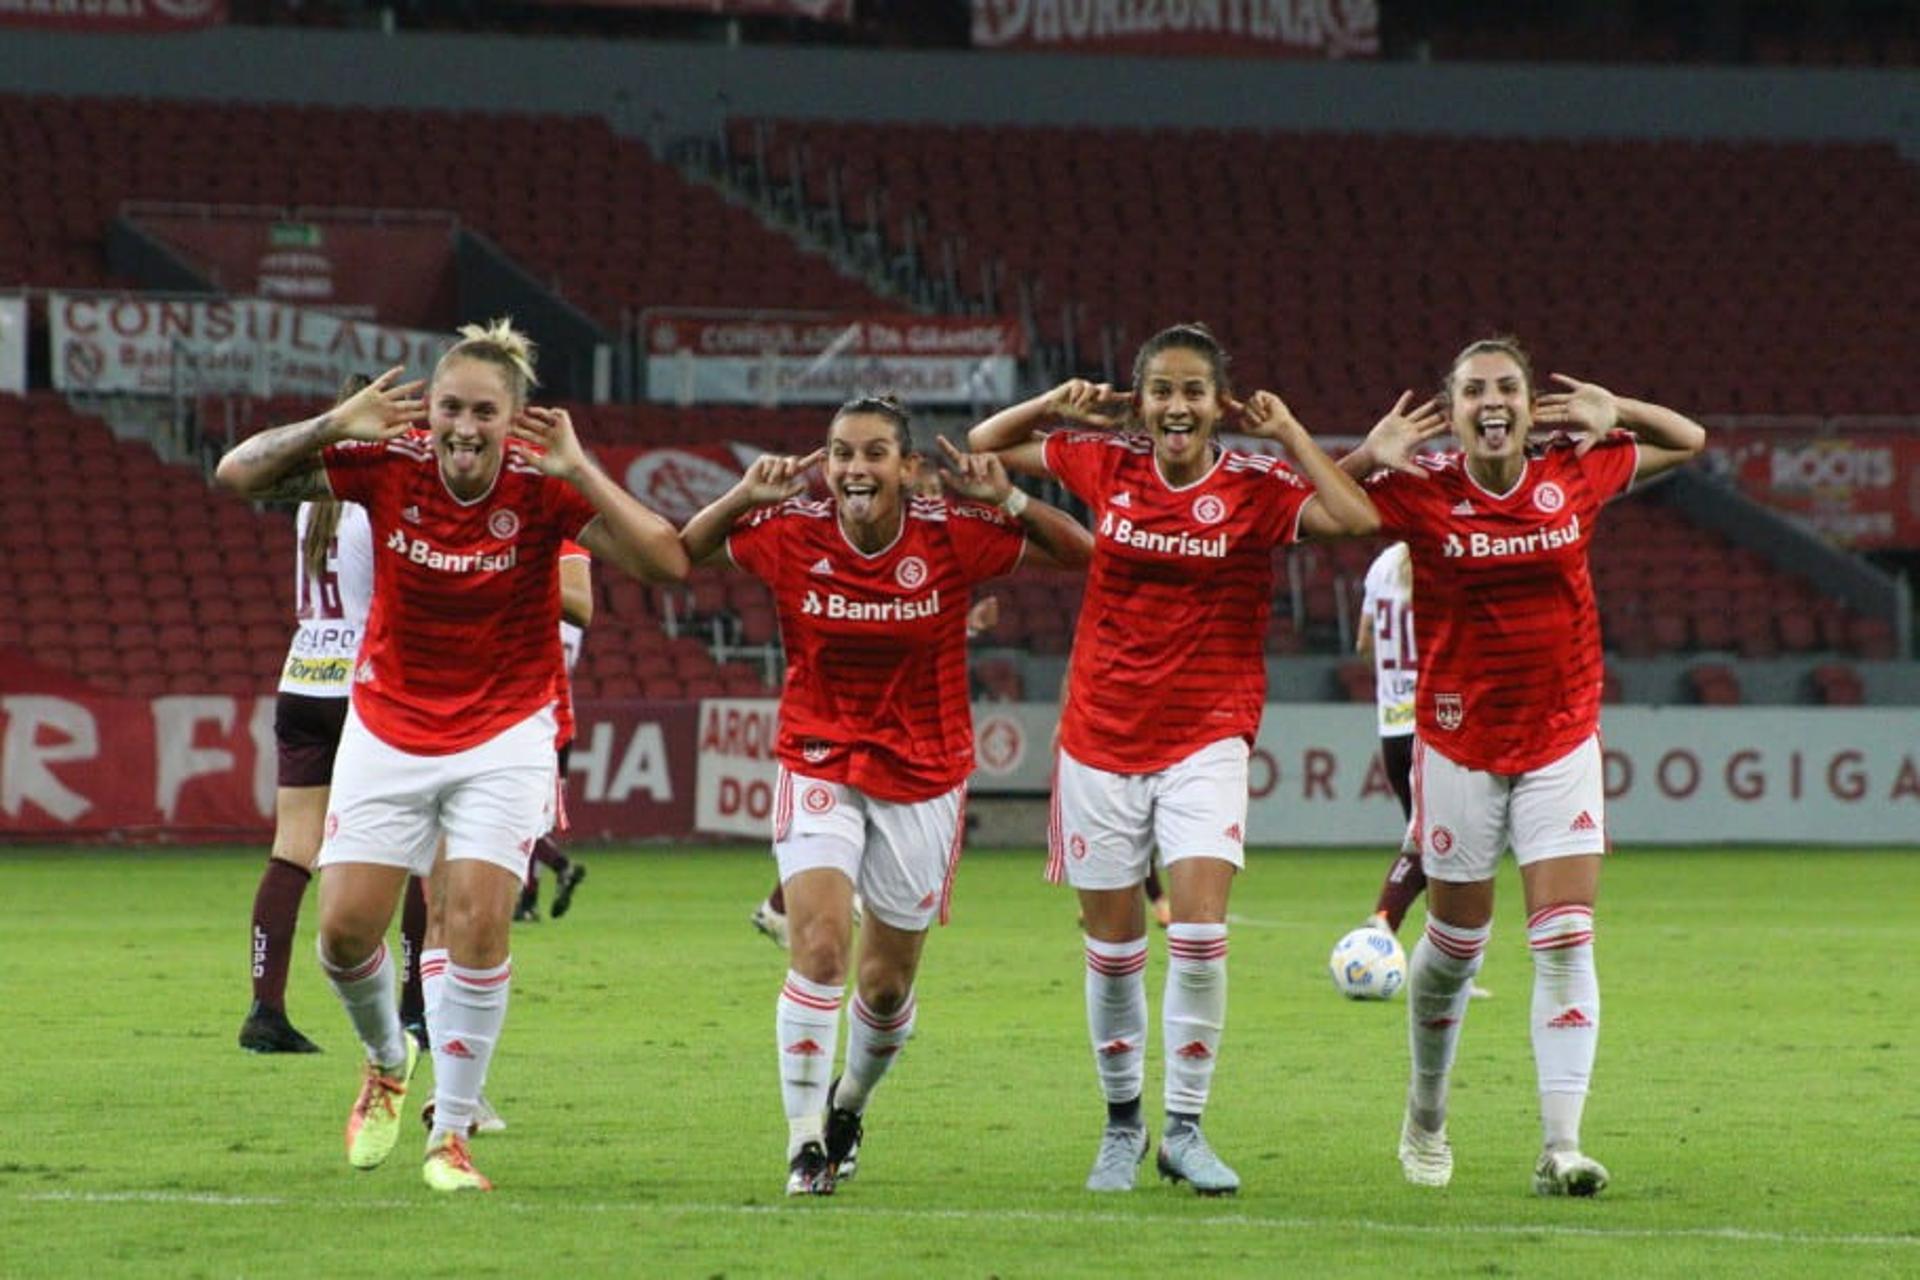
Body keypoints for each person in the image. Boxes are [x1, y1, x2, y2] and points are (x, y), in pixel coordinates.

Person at [214, 319, 689, 1193]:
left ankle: (453, 1133)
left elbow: (667, 562)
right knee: (344, 933)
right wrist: (329, 424)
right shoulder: (388, 465)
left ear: (514, 419)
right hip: (388, 725)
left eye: (484, 411)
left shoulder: (543, 488)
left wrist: (581, 469)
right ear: (425, 413)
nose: (464, 427)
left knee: (474, 918)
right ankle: (388, 1061)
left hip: (506, 732)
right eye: (449, 409)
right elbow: (236, 474)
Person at [968, 322, 1381, 1196]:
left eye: (1194, 391)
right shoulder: (1104, 465)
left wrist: (1290, 435)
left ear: (1218, 403)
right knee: (1114, 953)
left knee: (1197, 938)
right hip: (1100, 738)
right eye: (1162, 390)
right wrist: (1059, 403)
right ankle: (1123, 1125)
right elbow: (985, 445)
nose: (1178, 406)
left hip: (1206, 736)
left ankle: (1185, 1130)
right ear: (1142, 400)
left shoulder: (1256, 484)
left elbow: (1355, 516)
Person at [682, 394, 1092, 1197]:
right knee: (823, 950)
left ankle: (849, 1103)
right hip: (819, 759)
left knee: (886, 984)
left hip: (925, 774)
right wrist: (741, 496)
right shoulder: (792, 532)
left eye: (873, 454)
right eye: (841, 453)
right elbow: (678, 553)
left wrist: (1006, 498)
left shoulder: (951, 534)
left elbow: (1080, 551)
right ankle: (803, 1145)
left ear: (909, 469)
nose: (854, 469)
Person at [1341, 337, 1705, 1197]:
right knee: (1457, 946)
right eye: (1474, 390)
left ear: (1532, 399)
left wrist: (1623, 409)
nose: (1492, 400)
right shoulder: (1421, 487)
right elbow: (1313, 515)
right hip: (1458, 741)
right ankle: (1426, 1113)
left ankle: (1561, 1146)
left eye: (1507, 386)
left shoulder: (1574, 470)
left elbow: (1688, 441)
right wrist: (1365, 457)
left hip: (1561, 737)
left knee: (1566, 937)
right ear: (1454, 407)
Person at [238, 453, 374, 1054]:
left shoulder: (310, 508)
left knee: (291, 849)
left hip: (302, 676)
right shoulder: (377, 502)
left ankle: (265, 1008)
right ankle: (418, 1013)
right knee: (420, 846)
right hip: (364, 684)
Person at [1351, 543, 1488, 997]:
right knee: (1441, 847)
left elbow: (1363, 642)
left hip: (1392, 726)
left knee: (1434, 844)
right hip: (1440, 723)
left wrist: (1394, 681)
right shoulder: (1448, 555)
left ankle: (1443, 964)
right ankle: (1383, 925)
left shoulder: (1381, 565)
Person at [516, 540, 593, 923]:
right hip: (564, 719)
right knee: (533, 816)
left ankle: (552, 872)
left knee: (521, 818)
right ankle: (528, 899)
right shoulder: (574, 621)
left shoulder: (535, 610)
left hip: (532, 717)